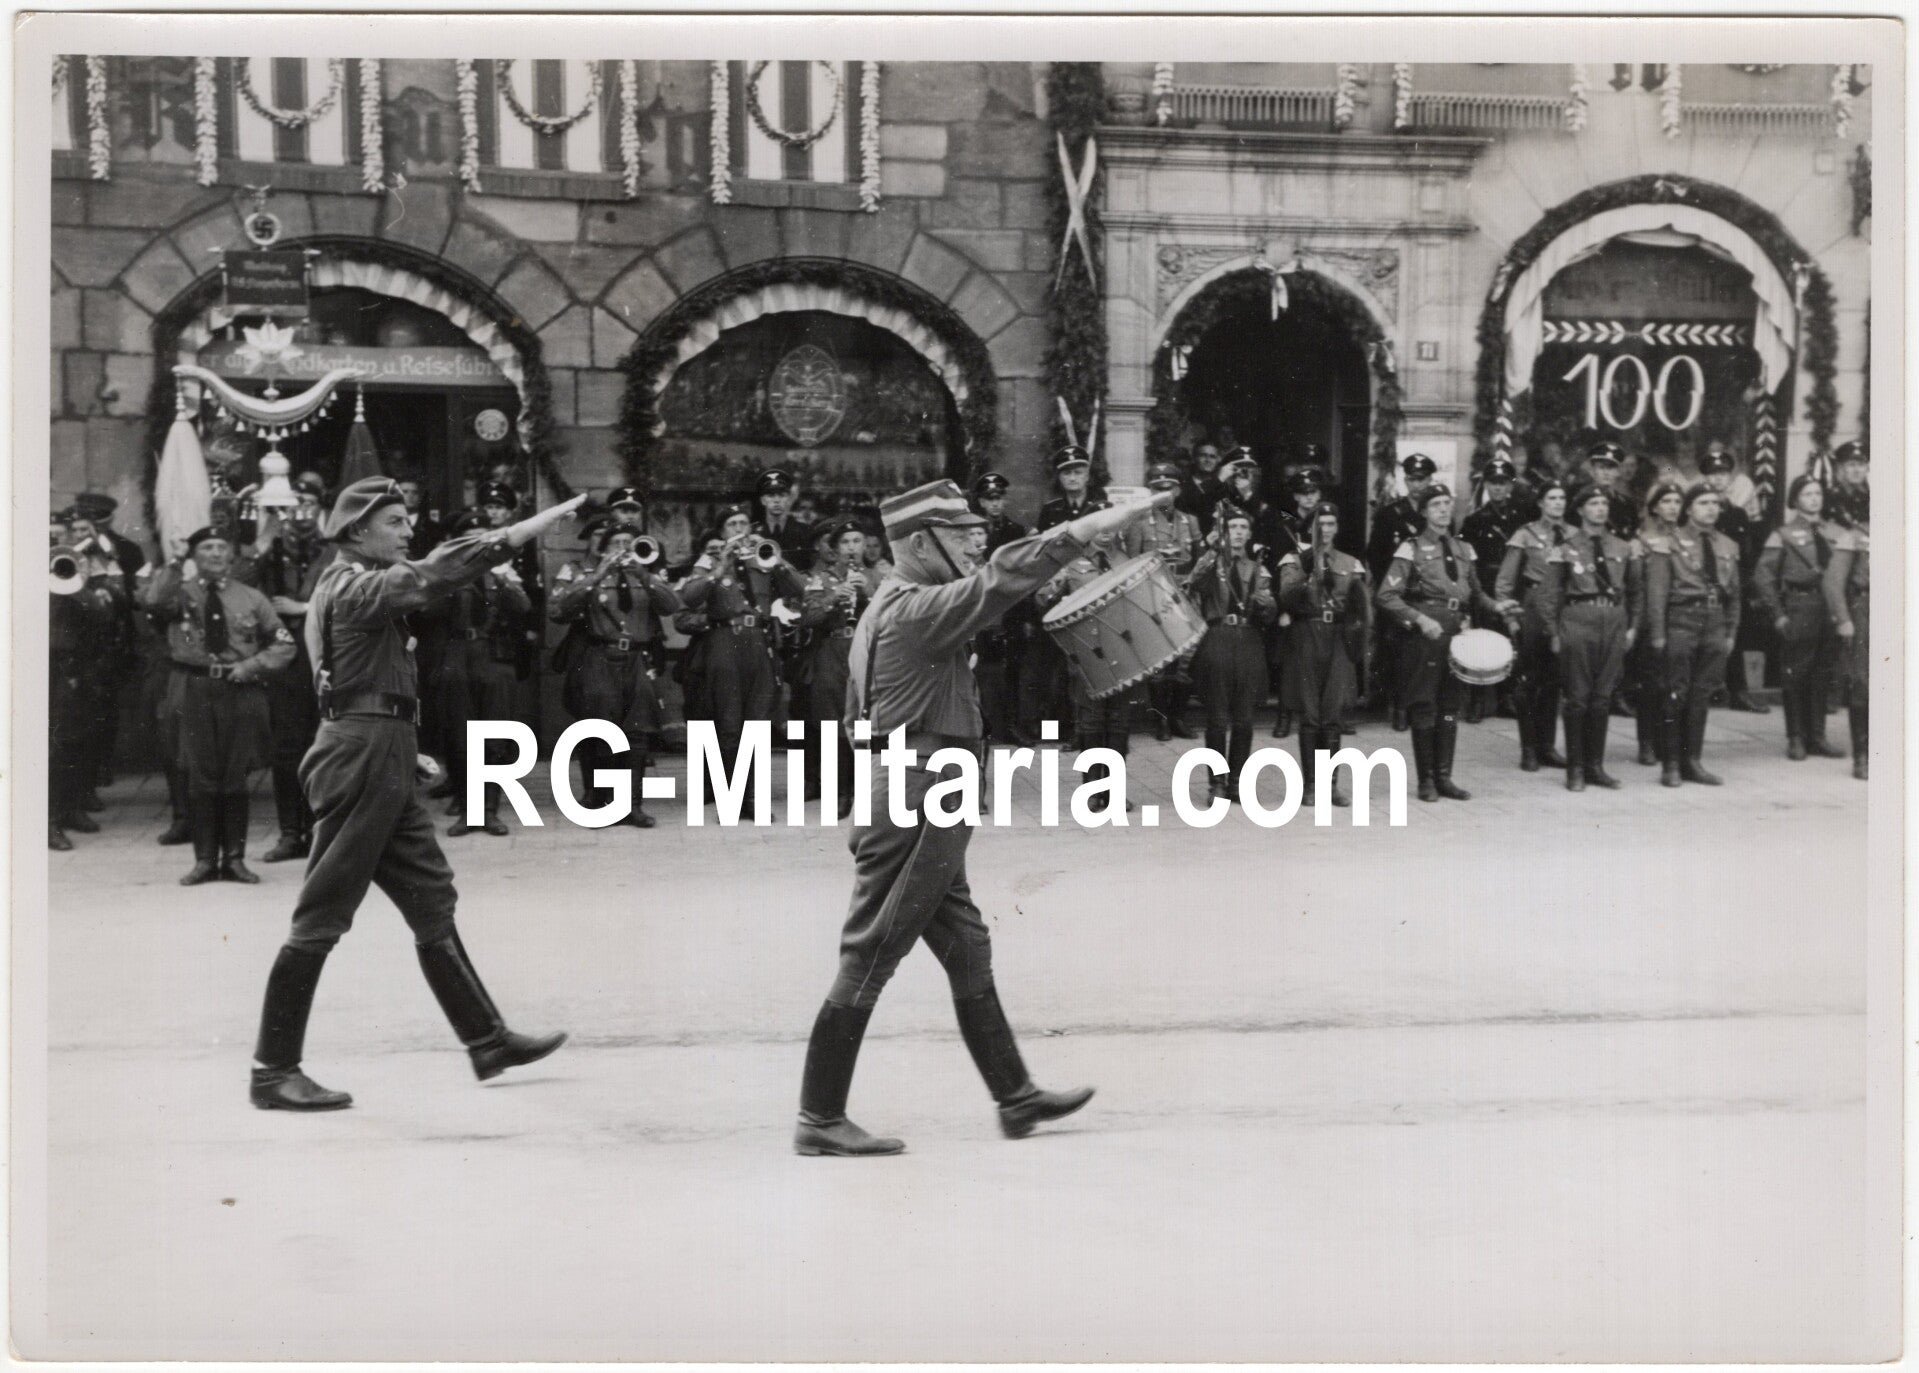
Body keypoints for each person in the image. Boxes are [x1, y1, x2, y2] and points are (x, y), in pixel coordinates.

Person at [792, 478, 1167, 1157]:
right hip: (921, 795)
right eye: (958, 533)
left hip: (913, 788)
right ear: (918, 543)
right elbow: (1004, 577)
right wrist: (1098, 522)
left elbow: (856, 717)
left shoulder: (883, 607)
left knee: (966, 947)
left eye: (973, 532)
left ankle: (1015, 1097)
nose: (973, 541)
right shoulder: (918, 609)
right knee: (871, 952)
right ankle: (818, 1116)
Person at [248, 478, 582, 1113]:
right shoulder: (352, 587)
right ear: (357, 531)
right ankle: (273, 1070)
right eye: (395, 522)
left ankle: (487, 1039)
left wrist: (403, 744)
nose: (408, 532)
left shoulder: (354, 587)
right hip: (363, 756)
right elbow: (429, 576)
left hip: (380, 749)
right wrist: (512, 535)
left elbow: (357, 680)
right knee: (322, 912)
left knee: (431, 897)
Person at [141, 526, 296, 883]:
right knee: (200, 776)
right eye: (206, 548)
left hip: (238, 689)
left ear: (231, 556)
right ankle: (205, 860)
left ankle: (235, 859)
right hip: (193, 687)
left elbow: (284, 644)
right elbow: (154, 601)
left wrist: (252, 666)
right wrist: (175, 561)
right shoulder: (180, 594)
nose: (214, 554)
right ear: (194, 556)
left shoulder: (251, 598)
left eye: (220, 547)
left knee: (235, 775)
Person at [1376, 484, 1519, 802]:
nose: (1442, 509)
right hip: (1426, 634)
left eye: (1446, 503)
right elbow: (1386, 595)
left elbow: (1476, 593)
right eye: (1435, 504)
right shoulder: (1411, 548)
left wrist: (1497, 607)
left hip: (1457, 633)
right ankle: (1426, 781)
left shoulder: (1464, 549)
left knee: (1451, 706)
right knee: (1425, 704)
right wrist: (1419, 619)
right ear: (1424, 512)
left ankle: (1444, 777)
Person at [551, 518, 682, 828]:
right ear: (603, 548)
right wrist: (598, 574)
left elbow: (671, 605)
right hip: (600, 655)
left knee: (637, 732)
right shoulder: (589, 574)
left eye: (628, 543)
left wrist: (644, 574)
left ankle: (631, 805)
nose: (623, 549)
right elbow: (558, 610)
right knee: (600, 729)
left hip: (637, 658)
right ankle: (601, 800)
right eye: (616, 544)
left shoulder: (646, 575)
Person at [677, 506, 808, 799]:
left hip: (758, 642)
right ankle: (730, 796)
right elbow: (689, 597)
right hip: (725, 640)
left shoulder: (762, 558)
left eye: (743, 523)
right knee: (729, 722)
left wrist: (778, 561)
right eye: (732, 524)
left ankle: (751, 797)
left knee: (758, 722)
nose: (739, 529)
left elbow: (801, 590)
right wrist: (720, 567)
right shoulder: (709, 561)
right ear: (722, 532)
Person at [422, 510, 534, 837]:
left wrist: (501, 576)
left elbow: (523, 607)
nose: (479, 544)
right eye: (471, 539)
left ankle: (489, 811)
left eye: (484, 537)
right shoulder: (447, 570)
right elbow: (427, 611)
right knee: (460, 737)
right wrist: (452, 576)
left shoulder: (501, 569)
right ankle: (468, 810)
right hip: (456, 654)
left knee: (495, 737)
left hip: (493, 656)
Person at [251, 476, 333, 862]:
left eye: (309, 504)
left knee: (324, 748)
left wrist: (305, 608)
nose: (301, 512)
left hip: (324, 662)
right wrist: (262, 544)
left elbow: (351, 598)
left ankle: (320, 830)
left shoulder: (334, 553)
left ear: (319, 509)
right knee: (286, 750)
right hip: (284, 665)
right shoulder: (272, 551)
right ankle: (289, 833)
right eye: (294, 505)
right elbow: (243, 588)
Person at [1537, 485, 1639, 792]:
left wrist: (1633, 627)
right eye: (1593, 503)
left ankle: (1596, 767)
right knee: (1578, 697)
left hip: (1613, 621)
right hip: (1578, 621)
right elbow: (1549, 594)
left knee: (1602, 697)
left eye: (1604, 503)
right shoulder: (1564, 547)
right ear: (1580, 510)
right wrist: (1554, 632)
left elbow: (1637, 592)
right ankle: (1575, 769)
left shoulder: (1623, 547)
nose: (1600, 509)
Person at [1645, 483, 1741, 787]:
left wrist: (1730, 631)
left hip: (1714, 621)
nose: (1711, 509)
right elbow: (1657, 594)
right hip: (1681, 621)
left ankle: (1693, 761)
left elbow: (1734, 594)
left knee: (1701, 694)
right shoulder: (1668, 544)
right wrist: (1658, 635)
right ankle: (1671, 764)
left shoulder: (1727, 545)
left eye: (1715, 503)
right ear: (1688, 509)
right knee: (1676, 692)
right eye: (1703, 503)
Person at [1276, 500, 1371, 806]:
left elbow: (1361, 607)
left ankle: (1331, 785)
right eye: (1320, 524)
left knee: (1332, 713)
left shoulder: (1349, 563)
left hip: (1338, 637)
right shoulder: (1294, 559)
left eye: (1331, 524)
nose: (1326, 530)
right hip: (1307, 634)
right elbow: (1285, 597)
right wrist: (1305, 572)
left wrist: (1356, 641)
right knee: (1310, 713)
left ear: (1337, 527)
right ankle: (1310, 786)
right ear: (1311, 528)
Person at [1183, 507, 1276, 805]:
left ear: (1249, 534)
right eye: (1232, 527)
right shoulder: (1212, 563)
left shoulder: (1257, 568)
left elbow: (1270, 610)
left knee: (1245, 718)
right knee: (1217, 717)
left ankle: (1237, 782)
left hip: (1248, 639)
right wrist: (1211, 551)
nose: (1237, 532)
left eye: (1242, 527)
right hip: (1218, 638)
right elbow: (1193, 583)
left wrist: (1266, 604)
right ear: (1224, 533)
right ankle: (1217, 784)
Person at [1753, 474, 1847, 761]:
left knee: (1822, 672)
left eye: (1817, 493)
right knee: (1795, 672)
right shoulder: (1783, 534)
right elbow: (1763, 576)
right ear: (1795, 500)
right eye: (1807, 494)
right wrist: (1778, 614)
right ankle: (1795, 737)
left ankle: (1817, 736)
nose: (1814, 499)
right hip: (1800, 604)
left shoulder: (1837, 533)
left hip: (1829, 606)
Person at [793, 519, 872, 815]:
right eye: (846, 543)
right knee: (833, 722)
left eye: (857, 541)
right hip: (831, 650)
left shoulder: (877, 576)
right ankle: (841, 792)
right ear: (836, 549)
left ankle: (863, 790)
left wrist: (867, 594)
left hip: (864, 651)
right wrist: (833, 598)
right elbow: (807, 618)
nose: (852, 548)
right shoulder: (821, 579)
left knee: (865, 721)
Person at [1495, 479, 1571, 771]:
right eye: (1552, 498)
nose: (1558, 503)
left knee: (1554, 681)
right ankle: (1528, 749)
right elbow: (1504, 583)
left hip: (1564, 611)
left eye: (1561, 498)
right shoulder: (1525, 535)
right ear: (1540, 503)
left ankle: (1547, 747)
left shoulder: (1573, 535)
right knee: (1529, 681)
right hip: (1534, 609)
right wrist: (1511, 619)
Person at [1367, 452, 1439, 732]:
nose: (1417, 485)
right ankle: (1397, 706)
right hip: (1397, 593)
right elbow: (1375, 555)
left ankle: (1417, 705)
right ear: (1405, 481)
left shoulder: (1436, 513)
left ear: (1430, 480)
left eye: (1422, 479)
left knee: (1424, 651)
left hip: (1427, 595)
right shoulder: (1390, 514)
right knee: (1395, 651)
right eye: (1412, 479)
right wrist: (1390, 589)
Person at [969, 472, 1036, 746]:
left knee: (1013, 671)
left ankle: (1012, 725)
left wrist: (1027, 616)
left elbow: (1026, 575)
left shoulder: (1016, 532)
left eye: (998, 498)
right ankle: (985, 727)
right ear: (981, 502)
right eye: (989, 499)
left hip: (1012, 609)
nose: (995, 504)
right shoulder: (972, 531)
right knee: (982, 670)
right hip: (982, 610)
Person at [1459, 458, 1528, 724]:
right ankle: (1477, 700)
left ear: (1510, 485)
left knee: (1512, 641)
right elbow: (1467, 559)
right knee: (1483, 641)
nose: (1498, 488)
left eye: (1503, 483)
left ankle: (1506, 697)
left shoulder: (1523, 517)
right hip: (1486, 586)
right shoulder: (1475, 520)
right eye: (1493, 483)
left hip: (1514, 586)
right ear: (1486, 485)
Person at [1138, 462, 1203, 740]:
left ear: (1177, 491)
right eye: (1158, 490)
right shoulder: (1140, 524)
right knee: (1160, 661)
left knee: (1185, 660)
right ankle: (1161, 721)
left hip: (1185, 595)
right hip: (1155, 596)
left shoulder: (1190, 521)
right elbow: (1133, 564)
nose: (1164, 494)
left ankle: (1178, 716)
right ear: (1151, 492)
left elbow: (1199, 559)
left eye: (1169, 489)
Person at [1630, 483, 1686, 765]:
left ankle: (1669, 742)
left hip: (1680, 619)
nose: (1673, 507)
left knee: (1675, 682)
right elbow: (1638, 585)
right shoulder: (1643, 540)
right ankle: (1647, 743)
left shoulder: (1686, 538)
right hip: (1651, 619)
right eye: (1666, 501)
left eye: (1677, 501)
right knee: (1651, 684)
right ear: (1654, 507)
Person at [1823, 519, 1870, 781]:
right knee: (1863, 682)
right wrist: (1843, 619)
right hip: (1866, 609)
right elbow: (1833, 582)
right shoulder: (1856, 536)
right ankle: (1863, 757)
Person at [754, 467, 816, 572]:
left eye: (782, 495)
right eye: (771, 495)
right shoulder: (755, 534)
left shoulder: (805, 532)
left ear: (788, 499)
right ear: (763, 500)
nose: (776, 500)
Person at [1580, 441, 1640, 541]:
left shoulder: (1627, 504)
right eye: (1601, 467)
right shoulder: (1580, 500)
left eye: (1611, 468)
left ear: (1618, 472)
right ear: (1592, 471)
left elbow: (1633, 535)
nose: (1606, 473)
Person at [1177, 442, 1227, 530]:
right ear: (1194, 459)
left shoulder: (1224, 487)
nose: (1208, 460)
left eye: (1212, 457)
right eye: (1203, 455)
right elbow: (1189, 504)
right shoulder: (1182, 485)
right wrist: (1216, 481)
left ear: (1218, 460)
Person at [1824, 439, 1870, 531]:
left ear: (1867, 469)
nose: (1857, 470)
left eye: (1861, 465)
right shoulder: (1829, 497)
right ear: (1841, 468)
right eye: (1851, 465)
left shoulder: (1867, 496)